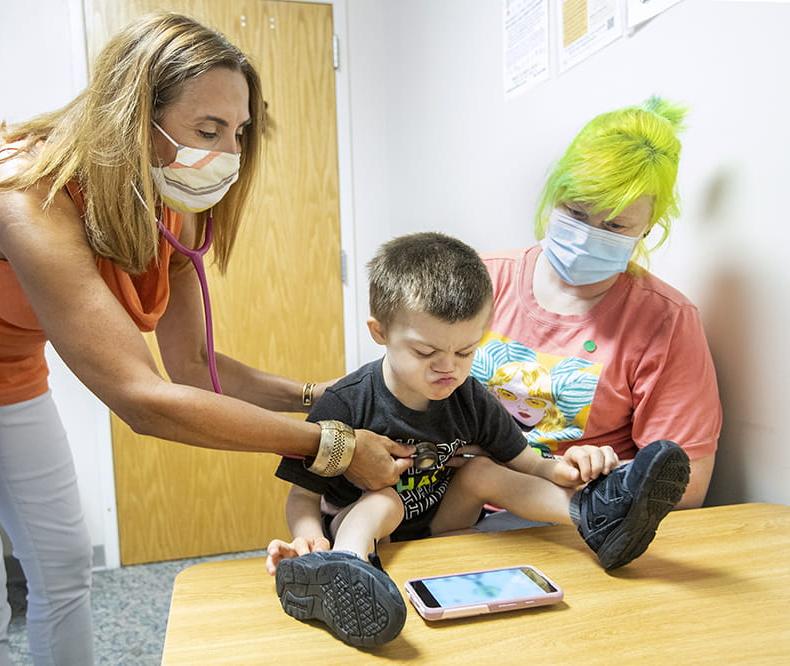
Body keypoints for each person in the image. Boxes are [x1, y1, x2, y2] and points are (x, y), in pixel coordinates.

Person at [0, 12, 412, 665]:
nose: (227, 153)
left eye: (239, 131)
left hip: (8, 364)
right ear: (135, 117)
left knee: (63, 568)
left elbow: (194, 369)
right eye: (207, 129)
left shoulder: (170, 204)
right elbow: (145, 401)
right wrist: (333, 445)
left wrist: (322, 394)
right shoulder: (26, 196)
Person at [265, 232, 690, 647]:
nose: (447, 369)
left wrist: (567, 468)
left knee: (483, 470)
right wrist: (309, 539)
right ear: (380, 332)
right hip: (361, 528)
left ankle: (594, 516)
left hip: (441, 521)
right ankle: (344, 565)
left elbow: (528, 463)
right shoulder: (345, 403)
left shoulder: (468, 395)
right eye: (426, 353)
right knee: (385, 499)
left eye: (466, 352)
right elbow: (302, 498)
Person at [470, 95, 721, 509]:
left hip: (573, 519)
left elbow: (683, 485)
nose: (587, 236)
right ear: (554, 195)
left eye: (615, 225)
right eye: (576, 212)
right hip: (453, 503)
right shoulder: (483, 278)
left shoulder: (665, 321)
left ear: (647, 228)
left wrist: (595, 473)